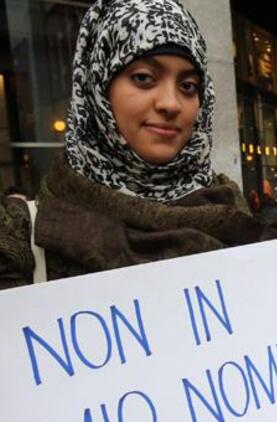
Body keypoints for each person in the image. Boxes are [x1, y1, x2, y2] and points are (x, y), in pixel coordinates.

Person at [0, 0, 262, 289]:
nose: (170, 103)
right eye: (144, 78)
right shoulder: (20, 236)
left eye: (188, 86)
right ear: (98, 87)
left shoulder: (228, 208)